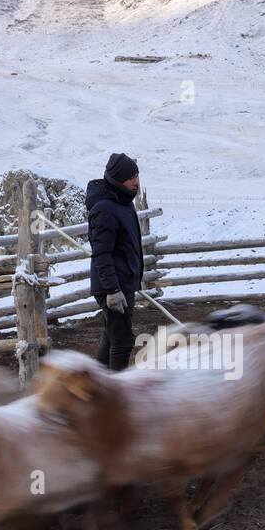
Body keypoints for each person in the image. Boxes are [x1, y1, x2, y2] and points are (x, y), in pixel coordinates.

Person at [87, 152, 143, 370]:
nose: (135, 181)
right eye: (130, 177)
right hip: (113, 288)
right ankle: (115, 394)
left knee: (112, 337)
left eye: (137, 175)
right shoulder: (105, 208)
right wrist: (112, 290)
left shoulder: (124, 203)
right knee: (123, 341)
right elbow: (101, 253)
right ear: (118, 179)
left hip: (123, 284)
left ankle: (97, 386)